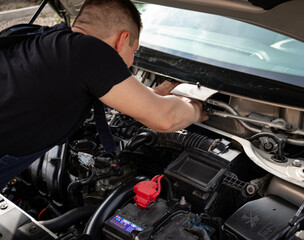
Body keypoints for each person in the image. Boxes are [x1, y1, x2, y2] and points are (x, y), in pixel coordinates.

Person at [0, 0, 207, 189]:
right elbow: (166, 119)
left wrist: (151, 94)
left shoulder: (41, 39)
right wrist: (197, 108)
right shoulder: (91, 51)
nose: (131, 62)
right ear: (122, 39)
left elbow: (96, 83)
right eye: (133, 50)